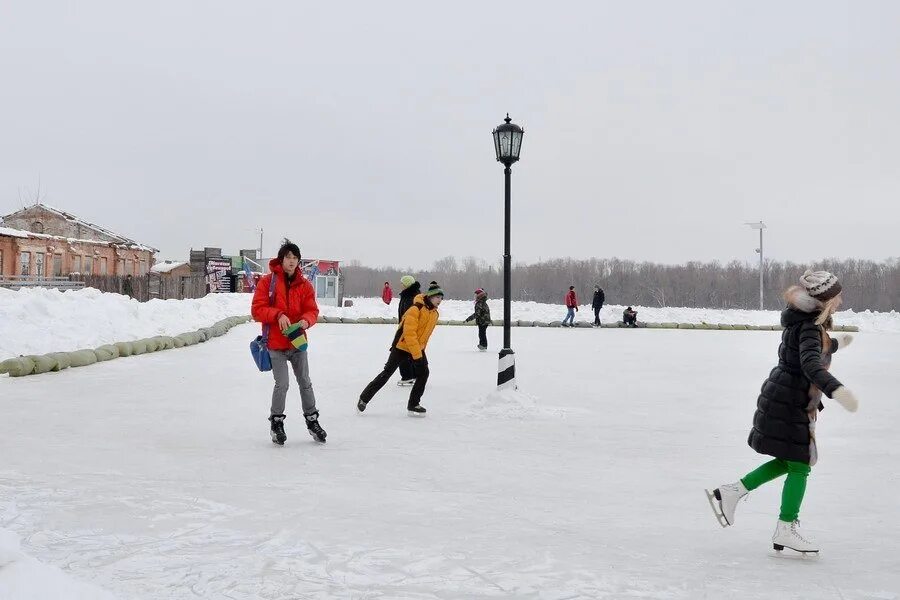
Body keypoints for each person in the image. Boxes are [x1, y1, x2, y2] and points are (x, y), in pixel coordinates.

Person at [706, 270, 859, 554]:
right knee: (800, 465)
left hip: (784, 394)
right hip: (791, 400)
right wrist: (836, 389)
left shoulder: (801, 319)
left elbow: (805, 348)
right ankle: (785, 527)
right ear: (825, 300)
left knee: (791, 460)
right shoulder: (812, 327)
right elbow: (810, 364)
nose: (840, 300)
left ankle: (732, 492)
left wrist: (836, 344)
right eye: (836, 296)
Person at [251, 240, 327, 445]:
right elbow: (257, 310)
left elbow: (313, 310)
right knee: (282, 384)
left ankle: (312, 421)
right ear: (281, 259)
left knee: (305, 382)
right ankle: (276, 422)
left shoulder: (304, 285)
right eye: (288, 257)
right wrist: (277, 315)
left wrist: (306, 320)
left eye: (295, 258)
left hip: (298, 342)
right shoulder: (268, 283)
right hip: (275, 343)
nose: (292, 261)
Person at [358, 282, 444, 416]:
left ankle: (413, 404)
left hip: (417, 347)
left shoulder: (434, 314)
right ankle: (364, 398)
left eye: (441, 298)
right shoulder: (415, 309)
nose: (440, 300)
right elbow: (409, 334)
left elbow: (424, 336)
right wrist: (417, 356)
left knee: (424, 373)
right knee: (387, 373)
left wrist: (420, 351)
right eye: (437, 297)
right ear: (430, 297)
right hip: (402, 346)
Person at [396, 275, 421, 385]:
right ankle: (414, 374)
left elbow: (409, 316)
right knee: (410, 352)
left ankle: (407, 376)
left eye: (402, 283)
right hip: (408, 329)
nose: (400, 285)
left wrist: (404, 330)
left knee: (402, 352)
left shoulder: (410, 297)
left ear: (406, 285)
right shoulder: (408, 295)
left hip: (408, 329)